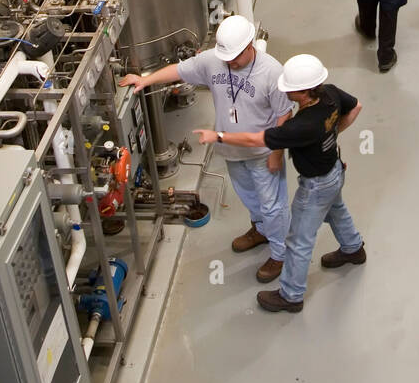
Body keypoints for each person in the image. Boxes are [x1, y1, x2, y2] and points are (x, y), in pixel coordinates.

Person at [119, 15, 293, 283]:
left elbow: (284, 116)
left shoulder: (272, 72)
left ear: (250, 46)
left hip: (262, 154)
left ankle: (280, 254)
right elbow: (180, 70)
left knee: (273, 206)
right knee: (249, 197)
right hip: (231, 151)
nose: (230, 62)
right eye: (227, 58)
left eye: (235, 57)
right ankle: (260, 230)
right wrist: (146, 80)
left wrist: (277, 154)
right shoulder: (214, 60)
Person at [223, 54, 365, 314]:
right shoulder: (331, 94)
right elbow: (356, 107)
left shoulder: (302, 126)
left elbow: (258, 140)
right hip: (334, 170)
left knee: (299, 240)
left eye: (289, 88)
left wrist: (218, 135)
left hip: (316, 186)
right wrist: (330, 135)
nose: (283, 90)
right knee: (336, 211)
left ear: (303, 92)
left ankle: (291, 295)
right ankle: (353, 249)